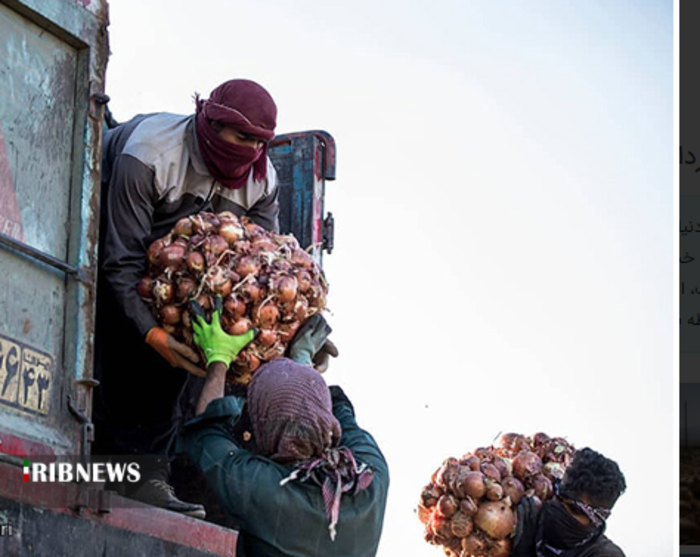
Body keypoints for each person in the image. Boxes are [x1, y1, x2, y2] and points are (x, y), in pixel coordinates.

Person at [93, 79, 279, 517]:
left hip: (189, 269)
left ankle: (166, 474)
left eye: (260, 142)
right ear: (210, 124)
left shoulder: (262, 179)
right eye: (242, 138)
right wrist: (154, 334)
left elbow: (263, 265)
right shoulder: (151, 152)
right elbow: (120, 264)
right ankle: (127, 476)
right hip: (118, 240)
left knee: (204, 351)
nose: (251, 150)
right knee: (131, 349)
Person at [178, 299, 390, 556]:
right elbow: (342, 414)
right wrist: (301, 362)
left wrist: (219, 358)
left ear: (262, 432)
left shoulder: (261, 487)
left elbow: (206, 432)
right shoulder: (371, 474)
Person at [512, 447, 627, 557]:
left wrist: (525, 552)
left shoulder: (606, 554)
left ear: (597, 520)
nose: (560, 508)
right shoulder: (531, 519)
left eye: (574, 509)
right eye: (558, 496)